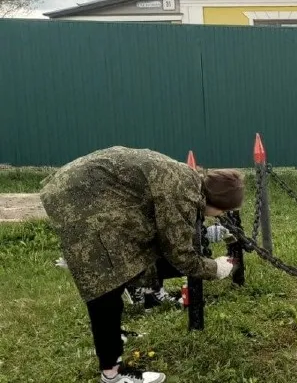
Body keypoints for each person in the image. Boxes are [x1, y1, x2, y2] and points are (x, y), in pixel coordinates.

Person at [38, 146, 245, 383]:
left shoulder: (188, 181)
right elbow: (179, 254)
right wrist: (216, 268)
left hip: (87, 187)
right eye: (220, 212)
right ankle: (112, 373)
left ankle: (113, 334)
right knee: (105, 281)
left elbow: (163, 235)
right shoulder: (182, 193)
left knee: (122, 263)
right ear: (217, 203)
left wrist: (206, 234)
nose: (216, 216)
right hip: (83, 197)